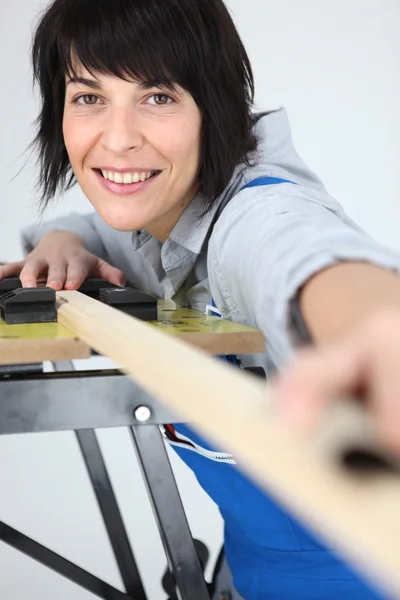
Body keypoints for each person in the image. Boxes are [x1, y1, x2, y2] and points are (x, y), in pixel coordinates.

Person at [1, 0, 400, 597]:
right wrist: (66, 239)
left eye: (158, 97)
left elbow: (304, 257)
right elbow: (95, 228)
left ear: (214, 108)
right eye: (88, 97)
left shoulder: (254, 218)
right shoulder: (156, 219)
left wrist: (377, 325)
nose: (117, 138)